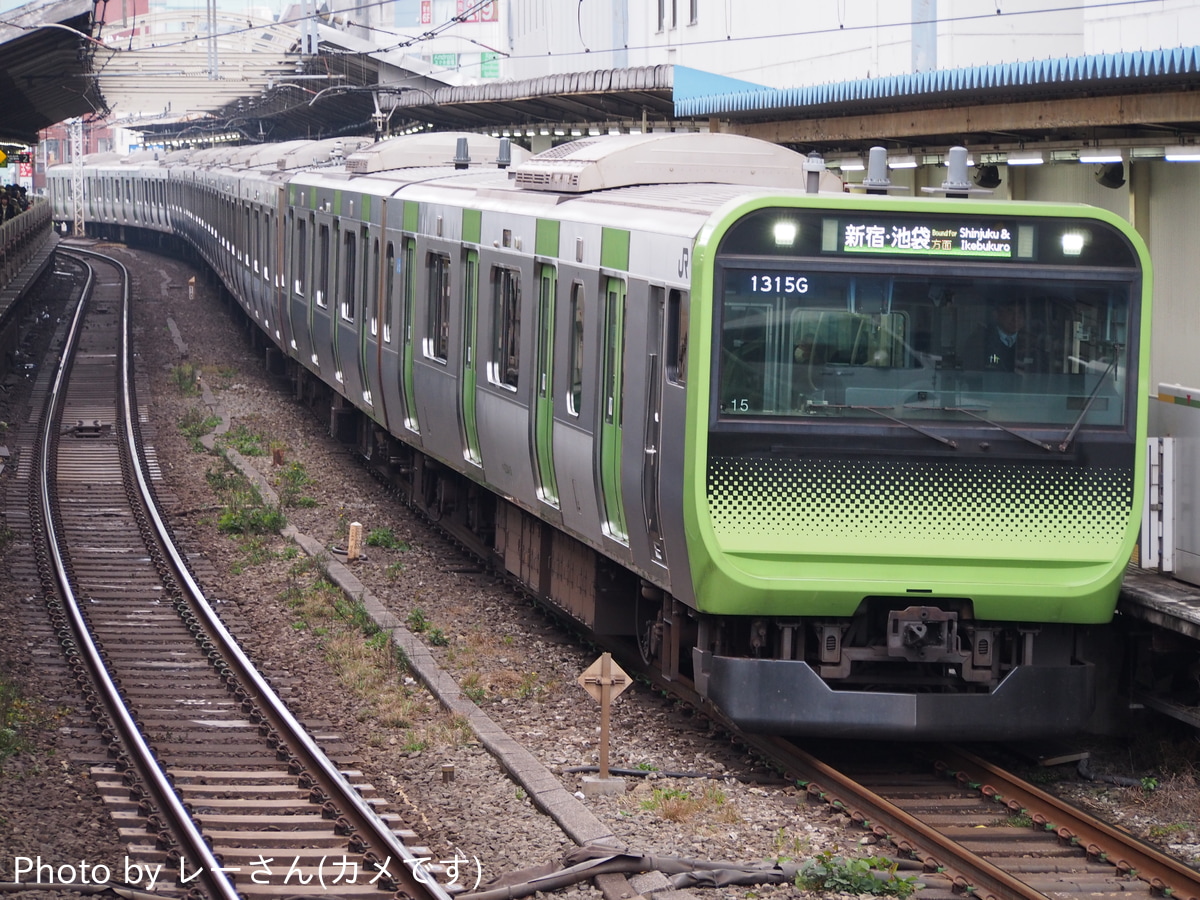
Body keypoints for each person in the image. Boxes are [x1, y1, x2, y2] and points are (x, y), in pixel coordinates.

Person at [967, 300, 1025, 371]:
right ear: (996, 314)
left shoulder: (1032, 343)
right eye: (1010, 311)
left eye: (1020, 312)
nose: (1016, 318)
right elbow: (971, 373)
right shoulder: (979, 342)